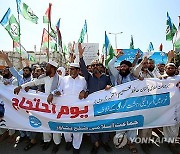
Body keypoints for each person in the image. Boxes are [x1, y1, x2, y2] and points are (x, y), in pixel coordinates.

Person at [14, 60, 62, 154]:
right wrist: (21, 87)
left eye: (47, 67)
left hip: (57, 107)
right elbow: (34, 83)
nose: (45, 69)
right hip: (46, 106)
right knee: (45, 123)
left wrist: (53, 93)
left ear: (53, 69)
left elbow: (61, 90)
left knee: (55, 125)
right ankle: (47, 141)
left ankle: (57, 143)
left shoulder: (61, 79)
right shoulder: (46, 78)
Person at [78, 43, 112, 154]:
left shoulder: (106, 78)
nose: (95, 67)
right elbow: (82, 67)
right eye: (93, 66)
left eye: (97, 65)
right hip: (92, 106)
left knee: (105, 124)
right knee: (94, 124)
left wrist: (109, 86)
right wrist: (81, 56)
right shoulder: (88, 77)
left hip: (104, 105)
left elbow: (112, 87)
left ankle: (105, 142)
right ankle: (95, 143)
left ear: (101, 67)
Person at [48, 63, 87, 154]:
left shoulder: (83, 80)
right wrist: (53, 93)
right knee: (66, 128)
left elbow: (86, 90)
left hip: (78, 109)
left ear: (78, 70)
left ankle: (76, 146)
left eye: (73, 69)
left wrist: (84, 91)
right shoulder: (64, 79)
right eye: (70, 69)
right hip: (66, 108)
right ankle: (68, 141)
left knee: (78, 128)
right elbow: (59, 90)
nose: (71, 71)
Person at [108, 50, 138, 153]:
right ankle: (120, 140)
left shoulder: (133, 76)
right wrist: (116, 56)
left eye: (125, 66)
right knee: (119, 123)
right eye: (121, 66)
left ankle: (131, 142)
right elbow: (110, 64)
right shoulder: (117, 75)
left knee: (132, 123)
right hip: (119, 104)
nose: (122, 68)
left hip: (132, 104)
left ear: (129, 68)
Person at [160, 63, 180, 154]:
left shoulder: (178, 78)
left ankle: (173, 143)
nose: (171, 69)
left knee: (175, 124)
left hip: (177, 106)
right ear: (165, 69)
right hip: (166, 106)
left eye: (173, 68)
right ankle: (169, 141)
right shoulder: (161, 79)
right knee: (167, 124)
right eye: (169, 68)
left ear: (175, 69)